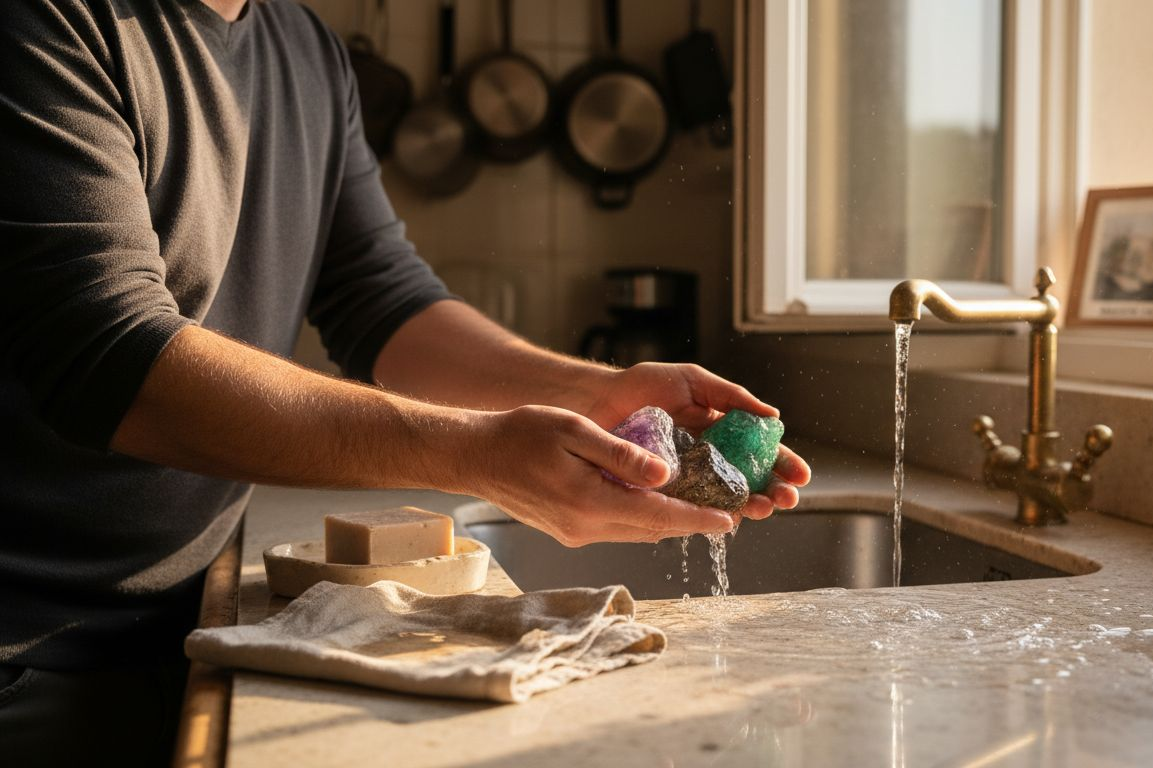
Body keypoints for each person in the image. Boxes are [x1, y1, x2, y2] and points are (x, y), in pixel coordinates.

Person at [0, 0, 810, 763]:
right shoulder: (46, 23)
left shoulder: (305, 50)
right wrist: (472, 454)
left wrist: (592, 395)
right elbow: (110, 356)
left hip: (193, 620)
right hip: (29, 648)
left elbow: (382, 300)